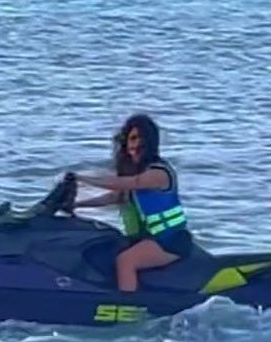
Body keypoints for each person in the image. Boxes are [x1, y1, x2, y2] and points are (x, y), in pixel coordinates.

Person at [74, 113, 192, 292]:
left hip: (169, 241)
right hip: (149, 238)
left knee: (125, 261)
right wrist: (76, 205)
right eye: (131, 139)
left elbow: (129, 183)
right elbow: (116, 196)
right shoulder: (139, 171)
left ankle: (127, 308)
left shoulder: (157, 173)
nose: (134, 145)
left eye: (139, 138)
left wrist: (82, 178)